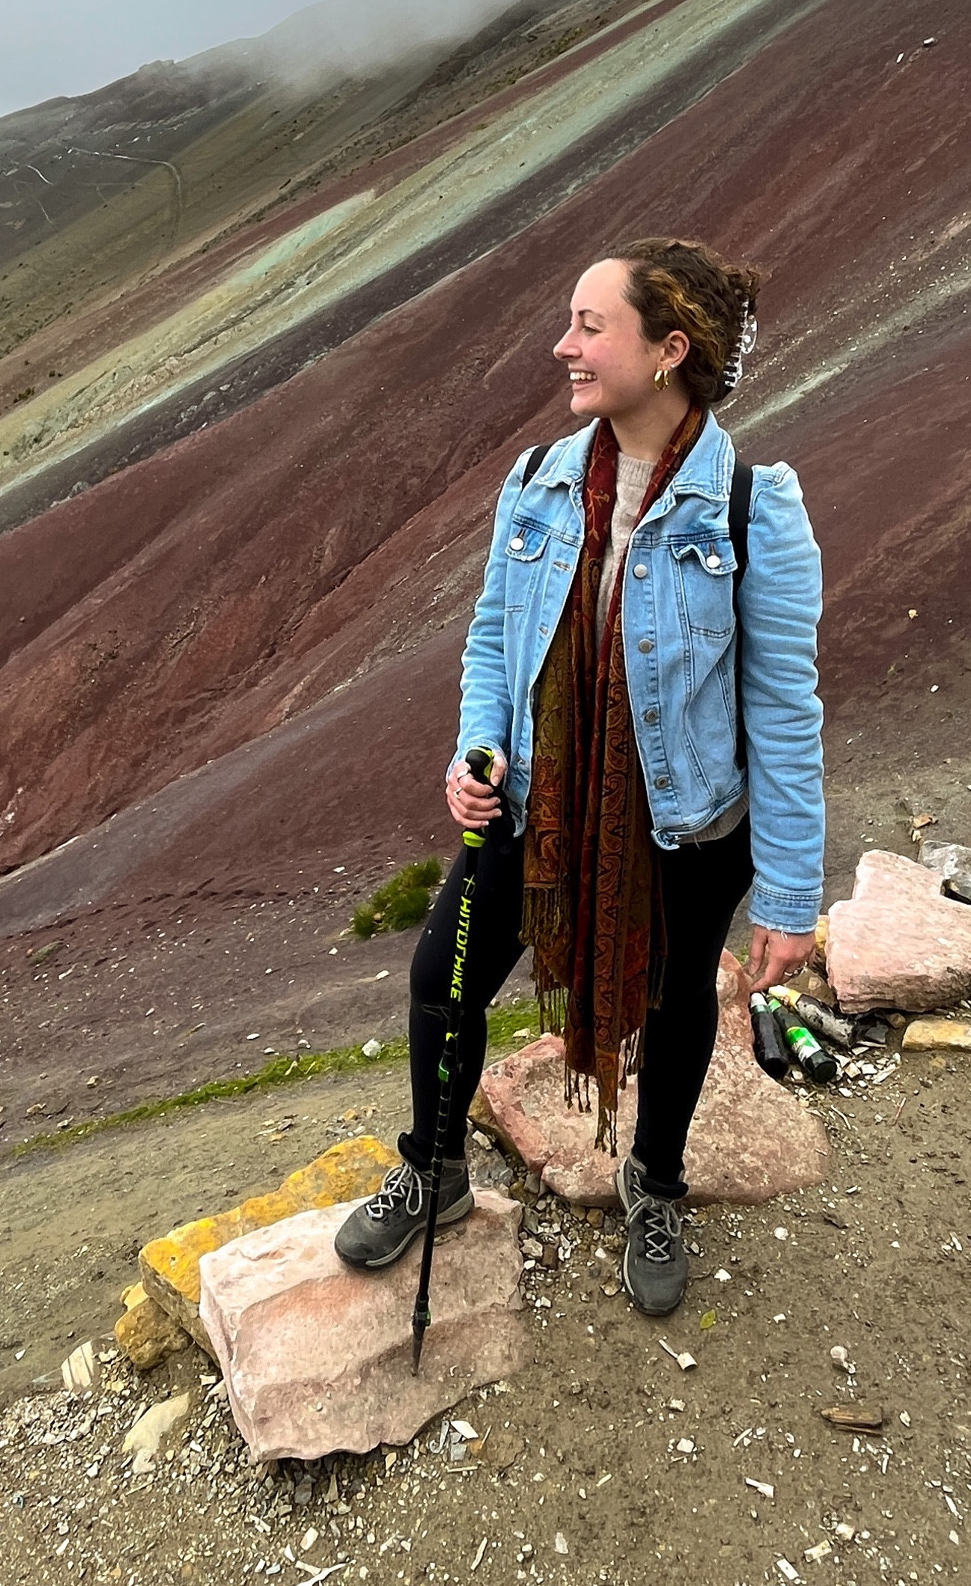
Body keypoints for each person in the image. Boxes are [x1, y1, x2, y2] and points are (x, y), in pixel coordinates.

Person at [334, 237, 824, 1316]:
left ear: (668, 351)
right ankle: (434, 1168)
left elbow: (785, 711)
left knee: (676, 1005)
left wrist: (791, 894)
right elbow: (491, 639)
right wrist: (477, 750)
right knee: (442, 978)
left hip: (688, 825)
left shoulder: (753, 510)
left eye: (590, 326)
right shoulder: (537, 483)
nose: (564, 345)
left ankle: (655, 1183)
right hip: (537, 803)